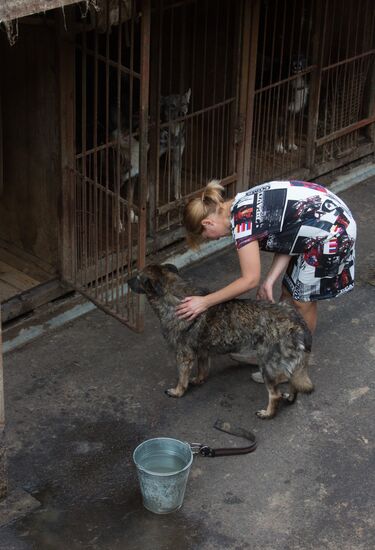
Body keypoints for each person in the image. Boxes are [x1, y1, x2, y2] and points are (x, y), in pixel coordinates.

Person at [176, 179, 356, 383]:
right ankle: (271, 350)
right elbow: (290, 233)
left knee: (302, 301)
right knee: (288, 293)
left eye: (207, 236)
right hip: (318, 223)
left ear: (207, 223)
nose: (212, 238)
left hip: (333, 233)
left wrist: (204, 302)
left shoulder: (242, 222)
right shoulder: (238, 203)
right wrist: (269, 280)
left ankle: (291, 366)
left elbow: (249, 280)